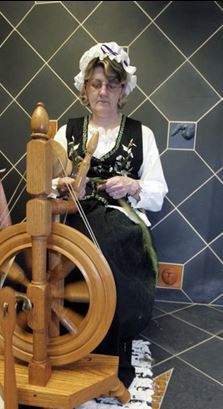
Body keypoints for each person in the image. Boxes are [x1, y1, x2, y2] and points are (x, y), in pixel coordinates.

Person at [52, 42, 168, 388]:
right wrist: (65, 183)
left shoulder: (141, 134)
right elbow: (46, 185)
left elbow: (158, 193)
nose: (103, 91)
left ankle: (111, 345)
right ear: (85, 89)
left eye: (111, 84)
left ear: (123, 91)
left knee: (111, 241)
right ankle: (62, 338)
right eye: (96, 84)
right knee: (57, 243)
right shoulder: (66, 132)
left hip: (122, 218)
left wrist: (132, 186)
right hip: (73, 214)